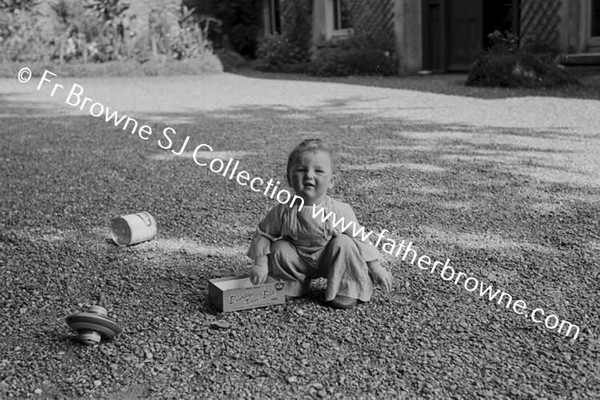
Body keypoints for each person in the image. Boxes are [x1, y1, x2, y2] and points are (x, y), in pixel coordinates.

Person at [246, 139, 392, 309]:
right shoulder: (283, 210)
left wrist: (376, 267)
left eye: (319, 171)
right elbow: (263, 234)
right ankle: (289, 284)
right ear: (289, 179)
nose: (309, 175)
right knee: (279, 247)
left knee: (345, 243)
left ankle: (346, 287)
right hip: (297, 258)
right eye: (301, 170)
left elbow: (361, 239)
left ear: (331, 181)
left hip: (330, 258)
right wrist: (260, 264)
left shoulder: (340, 210)